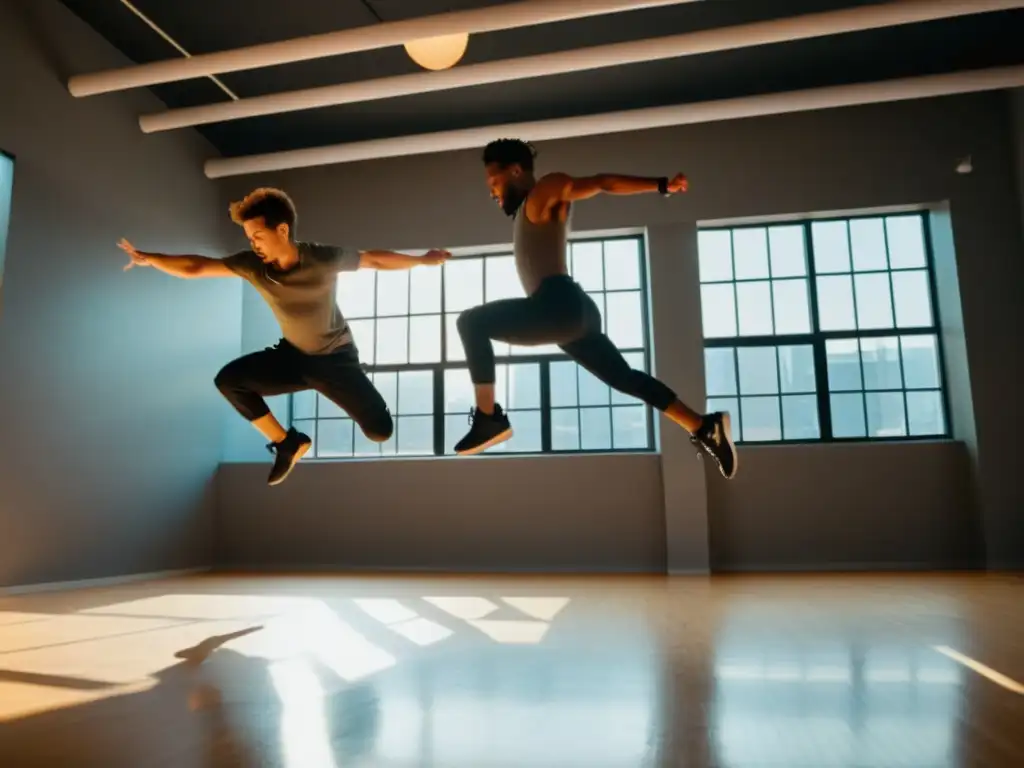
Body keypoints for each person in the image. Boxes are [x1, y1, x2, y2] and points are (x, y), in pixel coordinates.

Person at [119, 187, 450, 486]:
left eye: (258, 236)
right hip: (292, 358)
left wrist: (421, 261)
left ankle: (330, 389)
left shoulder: (323, 258)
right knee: (229, 381)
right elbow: (197, 267)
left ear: (282, 229)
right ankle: (287, 443)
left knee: (380, 431)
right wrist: (151, 258)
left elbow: (374, 258)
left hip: (336, 362)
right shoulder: (253, 266)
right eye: (249, 238)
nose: (254, 244)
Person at [453, 139, 737, 479]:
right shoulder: (530, 208)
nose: (492, 192)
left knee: (471, 322)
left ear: (515, 171)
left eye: (493, 182)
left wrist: (662, 185)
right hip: (573, 314)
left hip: (557, 305)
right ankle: (704, 426)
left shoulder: (544, 192)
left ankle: (489, 419)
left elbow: (601, 182)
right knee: (624, 378)